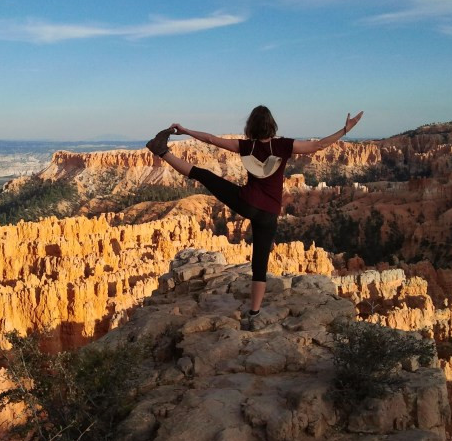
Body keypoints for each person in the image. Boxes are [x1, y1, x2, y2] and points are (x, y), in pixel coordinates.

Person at [145, 105, 363, 326]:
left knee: (204, 175)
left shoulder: (245, 146)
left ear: (251, 126)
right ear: (272, 125)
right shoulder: (283, 145)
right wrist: (345, 129)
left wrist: (186, 130)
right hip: (269, 213)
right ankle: (254, 314)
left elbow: (210, 139)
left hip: (246, 202)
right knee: (260, 264)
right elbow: (319, 145)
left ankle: (162, 151)